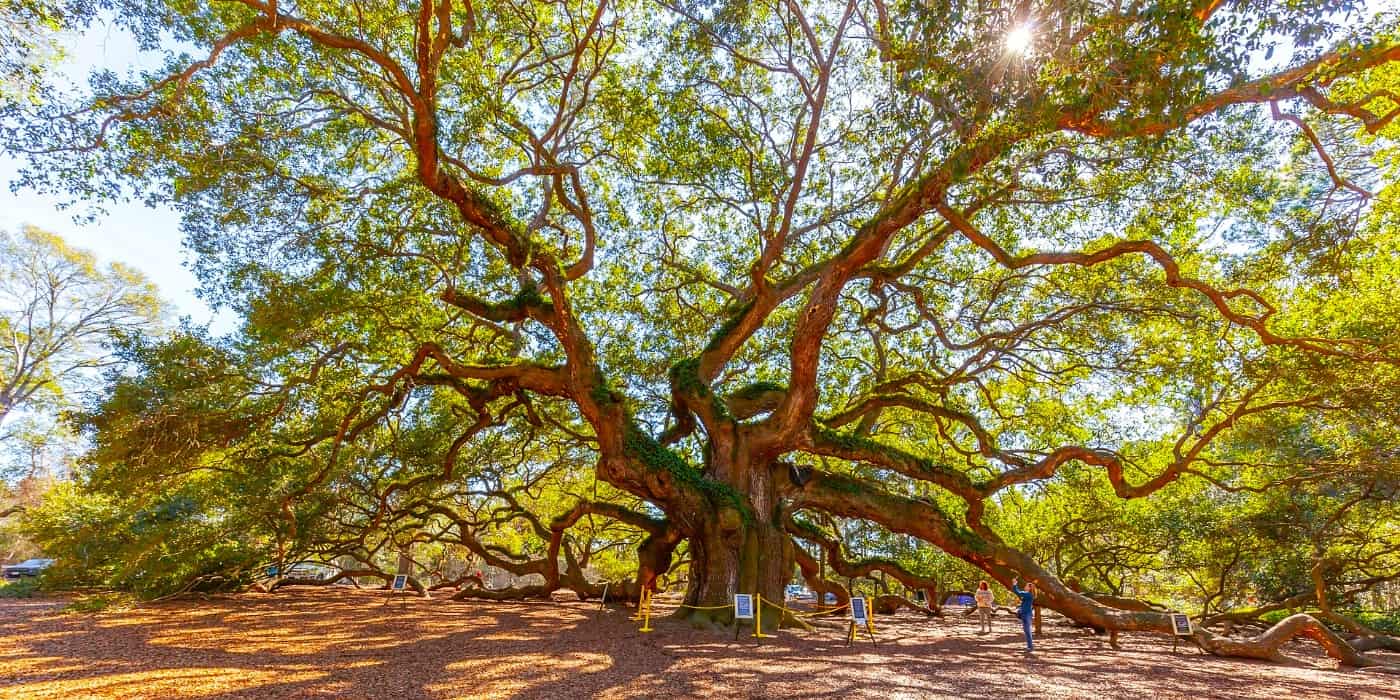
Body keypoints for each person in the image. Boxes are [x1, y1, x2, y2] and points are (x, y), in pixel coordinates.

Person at [1011, 576, 1036, 652]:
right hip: (1025, 614)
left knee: (1027, 631)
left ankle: (1030, 647)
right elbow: (1019, 593)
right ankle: (1030, 646)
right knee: (1026, 631)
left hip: (1027, 614)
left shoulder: (1028, 594)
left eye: (1026, 586)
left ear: (1030, 588)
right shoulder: (1028, 594)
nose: (1025, 587)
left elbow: (1017, 592)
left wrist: (1015, 584)